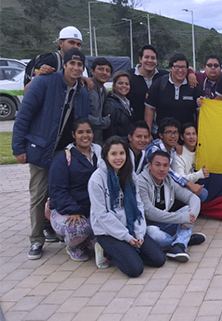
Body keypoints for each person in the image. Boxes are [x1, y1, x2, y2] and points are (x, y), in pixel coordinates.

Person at [13, 48, 90, 260]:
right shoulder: (44, 82)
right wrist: (18, 148)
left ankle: (64, 232)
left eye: (79, 65)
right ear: (64, 65)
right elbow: (24, 116)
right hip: (41, 149)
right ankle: (36, 240)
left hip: (66, 153)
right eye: (71, 64)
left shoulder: (82, 90)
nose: (75, 68)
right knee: (38, 195)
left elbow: (82, 123)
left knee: (65, 191)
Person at [89, 136, 165, 277]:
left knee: (158, 259)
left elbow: (138, 206)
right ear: (106, 155)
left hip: (131, 228)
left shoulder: (130, 175)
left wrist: (139, 233)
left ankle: (129, 251)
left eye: (122, 153)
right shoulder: (96, 179)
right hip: (108, 232)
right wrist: (127, 238)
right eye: (113, 154)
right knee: (135, 270)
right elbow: (102, 215)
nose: (118, 158)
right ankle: (105, 251)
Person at [48, 119, 102, 261]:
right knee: (79, 229)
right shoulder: (64, 158)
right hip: (67, 211)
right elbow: (57, 190)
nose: (85, 136)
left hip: (91, 210)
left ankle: (88, 242)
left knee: (104, 229)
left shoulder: (100, 155)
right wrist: (73, 210)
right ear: (73, 135)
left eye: (88, 132)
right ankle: (72, 246)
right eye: (80, 132)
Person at [139, 150, 205, 262]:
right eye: (157, 165)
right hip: (147, 226)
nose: (161, 169)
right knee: (153, 233)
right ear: (149, 166)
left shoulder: (169, 180)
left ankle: (178, 245)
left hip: (166, 223)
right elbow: (149, 212)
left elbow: (193, 198)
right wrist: (182, 218)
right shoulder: (140, 182)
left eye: (165, 165)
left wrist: (188, 218)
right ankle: (182, 241)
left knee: (187, 211)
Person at [146, 118, 204, 199]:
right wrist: (188, 183)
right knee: (201, 194)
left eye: (175, 133)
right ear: (161, 135)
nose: (173, 136)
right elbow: (168, 171)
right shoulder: (154, 149)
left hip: (168, 184)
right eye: (169, 132)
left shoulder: (174, 148)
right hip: (150, 185)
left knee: (202, 192)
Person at [145, 53, 202, 135]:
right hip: (162, 136)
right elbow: (149, 109)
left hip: (186, 137)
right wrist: (148, 133)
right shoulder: (159, 84)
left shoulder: (193, 86)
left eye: (183, 67)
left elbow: (200, 113)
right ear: (171, 68)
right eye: (177, 67)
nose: (180, 70)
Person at [24, 26, 90, 91]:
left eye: (78, 44)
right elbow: (27, 91)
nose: (76, 47)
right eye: (71, 43)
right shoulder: (50, 60)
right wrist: (39, 74)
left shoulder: (79, 63)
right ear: (61, 43)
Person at [126, 45, 169, 122]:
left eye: (153, 58)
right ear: (140, 59)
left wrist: (190, 73)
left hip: (159, 127)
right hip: (135, 126)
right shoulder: (129, 76)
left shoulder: (164, 76)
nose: (150, 61)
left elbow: (180, 72)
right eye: (146, 57)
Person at [172, 123, 210, 201]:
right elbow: (180, 179)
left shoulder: (201, 151)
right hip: (181, 188)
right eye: (188, 134)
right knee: (203, 193)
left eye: (194, 134)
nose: (192, 137)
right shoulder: (178, 154)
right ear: (182, 137)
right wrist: (199, 174)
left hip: (196, 184)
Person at [88, 58, 112, 144]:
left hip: (97, 141)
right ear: (92, 71)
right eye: (100, 69)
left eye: (107, 71)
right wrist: (105, 122)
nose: (104, 73)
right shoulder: (86, 88)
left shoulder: (104, 91)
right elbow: (82, 116)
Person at [103, 72, 133, 139]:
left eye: (127, 84)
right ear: (114, 86)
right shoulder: (110, 105)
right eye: (120, 83)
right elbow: (110, 130)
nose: (124, 86)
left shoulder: (128, 102)